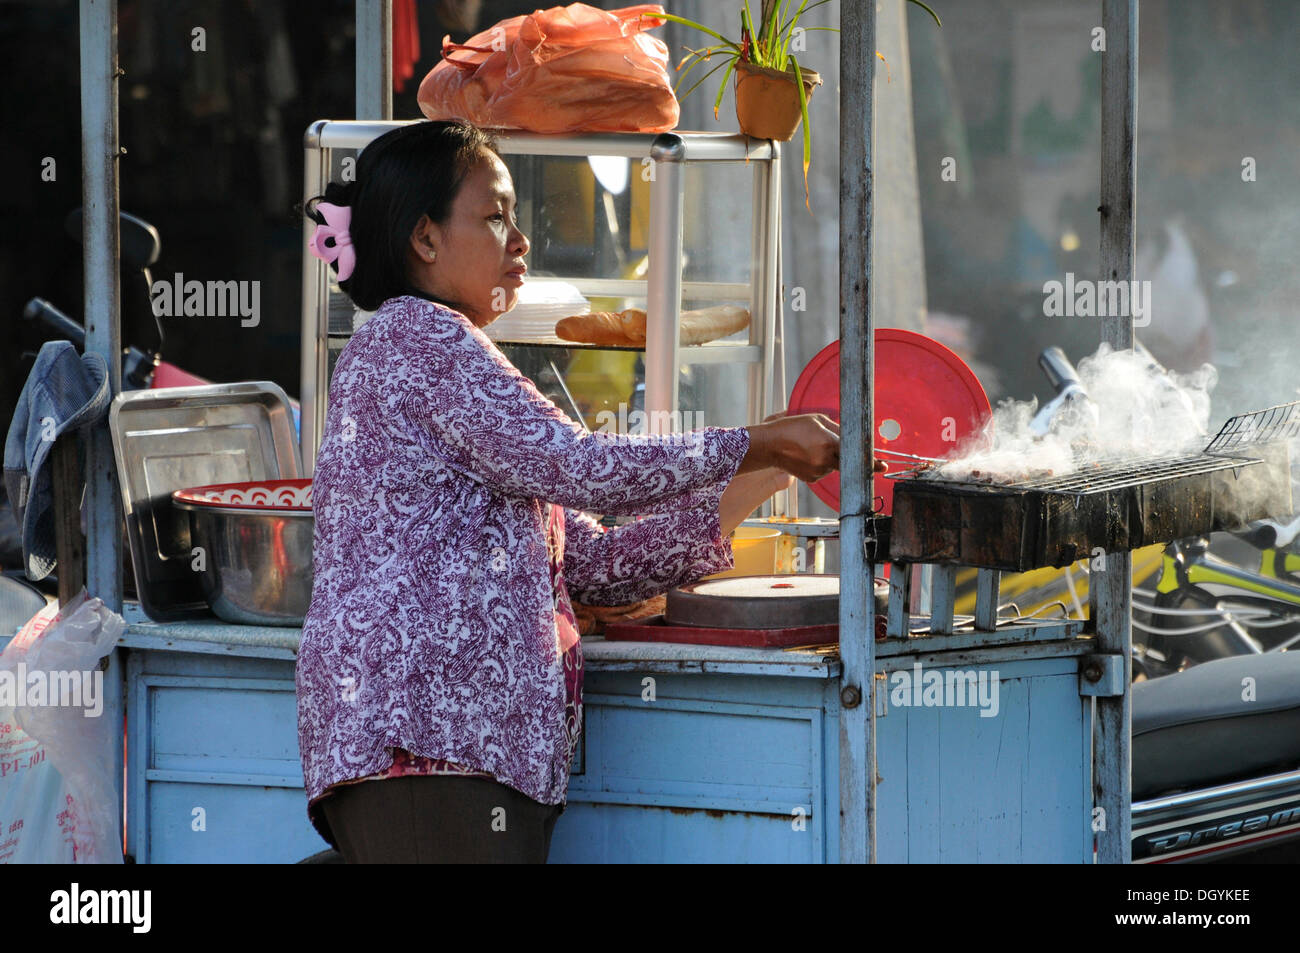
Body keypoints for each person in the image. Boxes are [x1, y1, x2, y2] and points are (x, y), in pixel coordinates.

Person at [296, 119, 849, 863]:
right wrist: (759, 437)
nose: (520, 239)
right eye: (495, 216)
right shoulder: (418, 339)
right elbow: (585, 465)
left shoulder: (446, 353)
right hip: (431, 749)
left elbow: (597, 565)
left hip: (457, 761)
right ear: (425, 239)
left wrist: (763, 473)